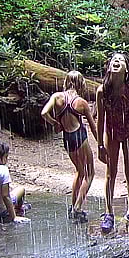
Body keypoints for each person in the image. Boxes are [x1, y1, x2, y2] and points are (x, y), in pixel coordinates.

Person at [96, 52, 129, 234]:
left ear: (126, 70)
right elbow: (101, 120)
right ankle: (109, 213)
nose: (117, 61)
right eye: (114, 60)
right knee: (111, 173)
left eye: (121, 60)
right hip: (112, 133)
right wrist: (100, 145)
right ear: (109, 67)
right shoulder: (103, 91)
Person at [41, 71, 97, 222]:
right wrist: (101, 144)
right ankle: (78, 207)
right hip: (79, 136)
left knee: (79, 171)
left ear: (66, 81)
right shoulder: (81, 102)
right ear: (80, 84)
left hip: (67, 138)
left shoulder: (57, 97)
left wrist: (55, 123)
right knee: (89, 173)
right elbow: (92, 126)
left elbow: (44, 112)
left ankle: (72, 206)